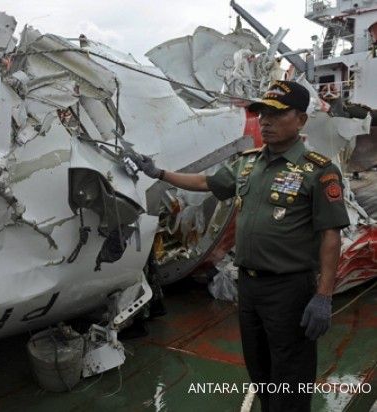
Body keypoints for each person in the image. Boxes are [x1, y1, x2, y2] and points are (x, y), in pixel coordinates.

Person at [125, 80, 349, 412]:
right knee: (259, 369)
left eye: (276, 114)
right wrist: (159, 173)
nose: (265, 122)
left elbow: (331, 235)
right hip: (250, 287)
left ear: (301, 120)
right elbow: (206, 182)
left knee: (291, 375)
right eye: (262, 115)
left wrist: (324, 296)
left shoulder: (318, 171)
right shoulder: (249, 163)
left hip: (289, 289)